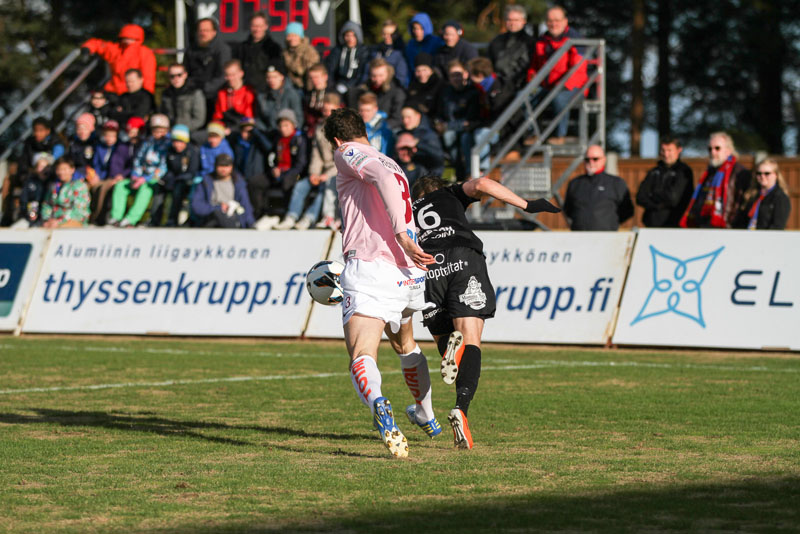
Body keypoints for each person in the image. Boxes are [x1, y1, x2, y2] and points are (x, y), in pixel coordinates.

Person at [323, 107, 439, 458]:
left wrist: (402, 235)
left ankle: (378, 402)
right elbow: (388, 182)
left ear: (337, 140)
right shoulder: (391, 160)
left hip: (372, 266)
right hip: (405, 275)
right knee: (405, 344)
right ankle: (427, 414)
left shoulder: (348, 153)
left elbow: (381, 181)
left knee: (361, 353)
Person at [410, 175, 558, 449]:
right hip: (462, 257)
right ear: (439, 187)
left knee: (445, 338)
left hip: (428, 268)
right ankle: (461, 409)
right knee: (471, 337)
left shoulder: (407, 210)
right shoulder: (450, 194)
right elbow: (481, 183)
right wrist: (526, 204)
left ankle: (448, 350)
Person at [274, 94, 339, 230]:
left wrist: (327, 175)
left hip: (336, 170)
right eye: (325, 110)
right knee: (301, 186)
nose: (327, 113)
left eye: (330, 110)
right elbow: (316, 154)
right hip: (321, 170)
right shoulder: (319, 128)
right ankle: (291, 216)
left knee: (325, 187)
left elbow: (342, 157)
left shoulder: (341, 129)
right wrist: (313, 173)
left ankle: (309, 218)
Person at [526, 6, 587, 144]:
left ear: (565, 21)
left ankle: (560, 135)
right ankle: (533, 134)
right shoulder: (542, 40)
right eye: (550, 20)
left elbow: (578, 69)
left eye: (557, 20)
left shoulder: (576, 39)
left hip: (572, 86)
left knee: (558, 99)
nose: (554, 24)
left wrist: (561, 86)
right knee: (525, 98)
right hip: (547, 85)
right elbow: (535, 66)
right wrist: (532, 78)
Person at [109, 114, 170, 227]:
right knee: (121, 186)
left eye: (161, 131)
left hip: (154, 179)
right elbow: (138, 160)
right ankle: (116, 217)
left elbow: (163, 167)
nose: (158, 134)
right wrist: (135, 175)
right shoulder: (148, 143)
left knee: (145, 189)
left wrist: (144, 179)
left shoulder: (167, 145)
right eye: (155, 131)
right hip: (140, 177)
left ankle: (131, 219)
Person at [680, 132, 752, 228]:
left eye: (717, 148)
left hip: (727, 227)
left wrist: (734, 224)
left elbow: (742, 203)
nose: (713, 152)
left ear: (728, 150)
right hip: (706, 225)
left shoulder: (739, 172)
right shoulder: (709, 173)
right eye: (710, 149)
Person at [564, 144, 634, 230]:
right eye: (587, 159)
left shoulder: (616, 183)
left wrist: (610, 223)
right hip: (580, 236)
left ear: (603, 160)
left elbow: (627, 210)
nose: (591, 162)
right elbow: (568, 209)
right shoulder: (575, 183)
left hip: (606, 236)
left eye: (595, 159)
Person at [467, 57, 516, 170]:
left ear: (479, 75)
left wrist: (475, 124)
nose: (469, 78)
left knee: (481, 134)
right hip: (487, 125)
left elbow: (498, 116)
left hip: (501, 129)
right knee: (466, 137)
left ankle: (483, 171)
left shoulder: (501, 88)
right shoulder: (479, 89)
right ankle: (469, 171)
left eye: (471, 75)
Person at [435, 60, 480, 180]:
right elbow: (440, 113)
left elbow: (471, 119)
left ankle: (470, 174)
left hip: (469, 129)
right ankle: (458, 173)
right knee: (448, 136)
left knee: (463, 138)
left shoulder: (473, 92)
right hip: (450, 128)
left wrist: (448, 126)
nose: (456, 78)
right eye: (452, 75)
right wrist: (439, 123)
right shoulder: (445, 93)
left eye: (458, 74)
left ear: (465, 74)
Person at [81, 24, 156, 95]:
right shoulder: (116, 49)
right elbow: (99, 44)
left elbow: (148, 78)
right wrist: (87, 48)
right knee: (98, 99)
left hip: (133, 93)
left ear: (138, 38)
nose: (127, 40)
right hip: (113, 91)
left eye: (131, 37)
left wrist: (147, 95)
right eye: (125, 37)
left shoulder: (145, 53)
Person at [635, 138, 694, 227]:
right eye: (663, 150)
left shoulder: (684, 171)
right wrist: (657, 205)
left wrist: (653, 193)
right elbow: (640, 197)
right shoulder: (654, 172)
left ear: (679, 150)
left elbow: (673, 199)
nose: (666, 154)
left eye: (669, 150)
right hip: (652, 225)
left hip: (674, 225)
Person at [150, 124, 200, 227]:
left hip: (186, 182)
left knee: (178, 190)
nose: (177, 145)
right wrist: (168, 179)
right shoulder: (170, 151)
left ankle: (172, 220)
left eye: (181, 142)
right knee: (159, 189)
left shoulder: (192, 151)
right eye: (175, 141)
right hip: (173, 180)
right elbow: (168, 169)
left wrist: (176, 180)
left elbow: (192, 172)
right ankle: (155, 220)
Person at [184, 18, 232, 120]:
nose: (203, 33)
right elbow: (185, 72)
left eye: (206, 30)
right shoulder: (191, 50)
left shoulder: (222, 49)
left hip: (214, 97)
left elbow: (223, 76)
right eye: (200, 30)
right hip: (193, 95)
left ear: (214, 32)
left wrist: (205, 89)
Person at [191, 153, 254, 228]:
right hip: (210, 217)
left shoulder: (238, 182)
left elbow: (246, 205)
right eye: (221, 166)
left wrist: (251, 224)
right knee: (216, 216)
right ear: (215, 166)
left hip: (232, 218)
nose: (223, 169)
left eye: (226, 166)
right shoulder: (206, 182)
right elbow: (196, 206)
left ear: (231, 167)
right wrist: (218, 208)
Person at [90, 120, 133, 225]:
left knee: (103, 189)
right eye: (107, 135)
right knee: (94, 187)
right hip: (103, 177)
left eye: (112, 136)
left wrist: (122, 176)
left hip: (117, 178)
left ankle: (98, 218)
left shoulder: (122, 148)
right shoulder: (100, 147)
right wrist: (95, 175)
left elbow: (130, 165)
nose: (109, 138)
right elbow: (96, 164)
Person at [268, 109, 308, 218]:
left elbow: (301, 164)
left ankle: (286, 214)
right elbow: (271, 157)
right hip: (279, 171)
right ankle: (264, 213)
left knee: (288, 181)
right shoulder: (277, 139)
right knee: (256, 182)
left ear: (293, 125)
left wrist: (286, 173)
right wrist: (273, 168)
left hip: (294, 172)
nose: (283, 129)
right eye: (281, 126)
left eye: (286, 125)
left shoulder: (299, 139)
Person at [347, 58, 406, 131]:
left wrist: (378, 128)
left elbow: (397, 119)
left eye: (381, 76)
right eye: (374, 76)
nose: (377, 80)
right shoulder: (363, 90)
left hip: (386, 130)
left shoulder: (397, 92)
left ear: (388, 74)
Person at [732, 158, 791, 230]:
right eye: (759, 173)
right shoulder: (752, 194)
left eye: (767, 173)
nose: (762, 176)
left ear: (776, 175)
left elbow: (778, 226)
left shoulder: (780, 198)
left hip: (765, 238)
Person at [234, 11, 283, 93]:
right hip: (246, 92)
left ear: (266, 26)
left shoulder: (274, 48)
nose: (257, 29)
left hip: (266, 93)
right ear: (250, 27)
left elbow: (277, 74)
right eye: (254, 26)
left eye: (260, 26)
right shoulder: (242, 48)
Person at [488, 5, 535, 90]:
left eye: (516, 20)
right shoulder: (496, 41)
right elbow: (489, 63)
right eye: (509, 20)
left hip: (520, 87)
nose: (512, 23)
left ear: (524, 21)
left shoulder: (530, 43)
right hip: (497, 85)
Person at [255, 62, 304, 136]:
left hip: (289, 136)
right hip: (270, 135)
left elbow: (299, 117)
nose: (271, 80)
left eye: (275, 77)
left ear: (282, 77)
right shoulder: (262, 96)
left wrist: (293, 134)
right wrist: (267, 132)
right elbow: (259, 119)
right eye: (268, 77)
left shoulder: (291, 93)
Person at [40, 157, 91, 228]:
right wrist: (46, 220)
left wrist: (59, 221)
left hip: (73, 221)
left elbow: (79, 210)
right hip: (53, 221)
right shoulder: (54, 186)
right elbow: (47, 204)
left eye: (64, 169)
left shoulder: (80, 186)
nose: (61, 172)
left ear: (72, 170)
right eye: (58, 169)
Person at [160, 63, 207, 133]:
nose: (176, 79)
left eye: (179, 75)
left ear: (185, 75)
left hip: (190, 132)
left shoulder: (195, 93)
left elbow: (199, 120)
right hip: (170, 132)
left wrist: (181, 130)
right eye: (172, 76)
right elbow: (163, 115)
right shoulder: (166, 94)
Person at [398, 104, 444, 176]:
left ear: (418, 116)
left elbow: (439, 159)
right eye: (403, 117)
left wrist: (417, 144)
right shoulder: (401, 134)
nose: (405, 121)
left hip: (427, 179)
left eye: (408, 117)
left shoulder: (429, 135)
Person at [326, 21, 369, 96]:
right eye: (347, 35)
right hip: (338, 85)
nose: (350, 39)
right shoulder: (337, 51)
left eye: (353, 36)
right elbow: (331, 69)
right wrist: (333, 85)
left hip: (356, 86)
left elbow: (364, 73)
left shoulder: (363, 52)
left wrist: (354, 85)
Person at [212, 60, 255, 126]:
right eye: (227, 75)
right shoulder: (222, 93)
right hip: (225, 128)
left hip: (243, 126)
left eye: (233, 75)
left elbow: (249, 118)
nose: (230, 78)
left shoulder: (249, 92)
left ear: (241, 73)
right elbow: (217, 116)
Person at [16, 153, 54, 227]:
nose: (43, 169)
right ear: (36, 168)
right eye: (40, 166)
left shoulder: (53, 182)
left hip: (47, 218)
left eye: (46, 167)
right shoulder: (29, 181)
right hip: (30, 216)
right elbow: (24, 200)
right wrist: (29, 213)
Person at [369, 20, 409, 89]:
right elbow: (367, 72)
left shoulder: (400, 53)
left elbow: (401, 78)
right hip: (374, 86)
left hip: (391, 89)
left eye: (391, 34)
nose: (388, 37)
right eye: (385, 34)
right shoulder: (375, 51)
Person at [283, 22, 320, 90]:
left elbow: (311, 73)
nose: (292, 38)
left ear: (300, 37)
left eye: (295, 35)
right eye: (289, 36)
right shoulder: (285, 52)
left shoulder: (309, 52)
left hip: (304, 87)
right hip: (289, 87)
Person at [405, 53, 442, 119]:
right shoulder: (413, 86)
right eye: (418, 71)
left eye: (424, 70)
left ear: (431, 70)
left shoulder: (439, 85)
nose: (422, 74)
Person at [303, 63, 332, 137]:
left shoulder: (333, 93)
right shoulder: (308, 95)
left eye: (316, 77)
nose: (314, 80)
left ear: (325, 77)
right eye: (311, 78)